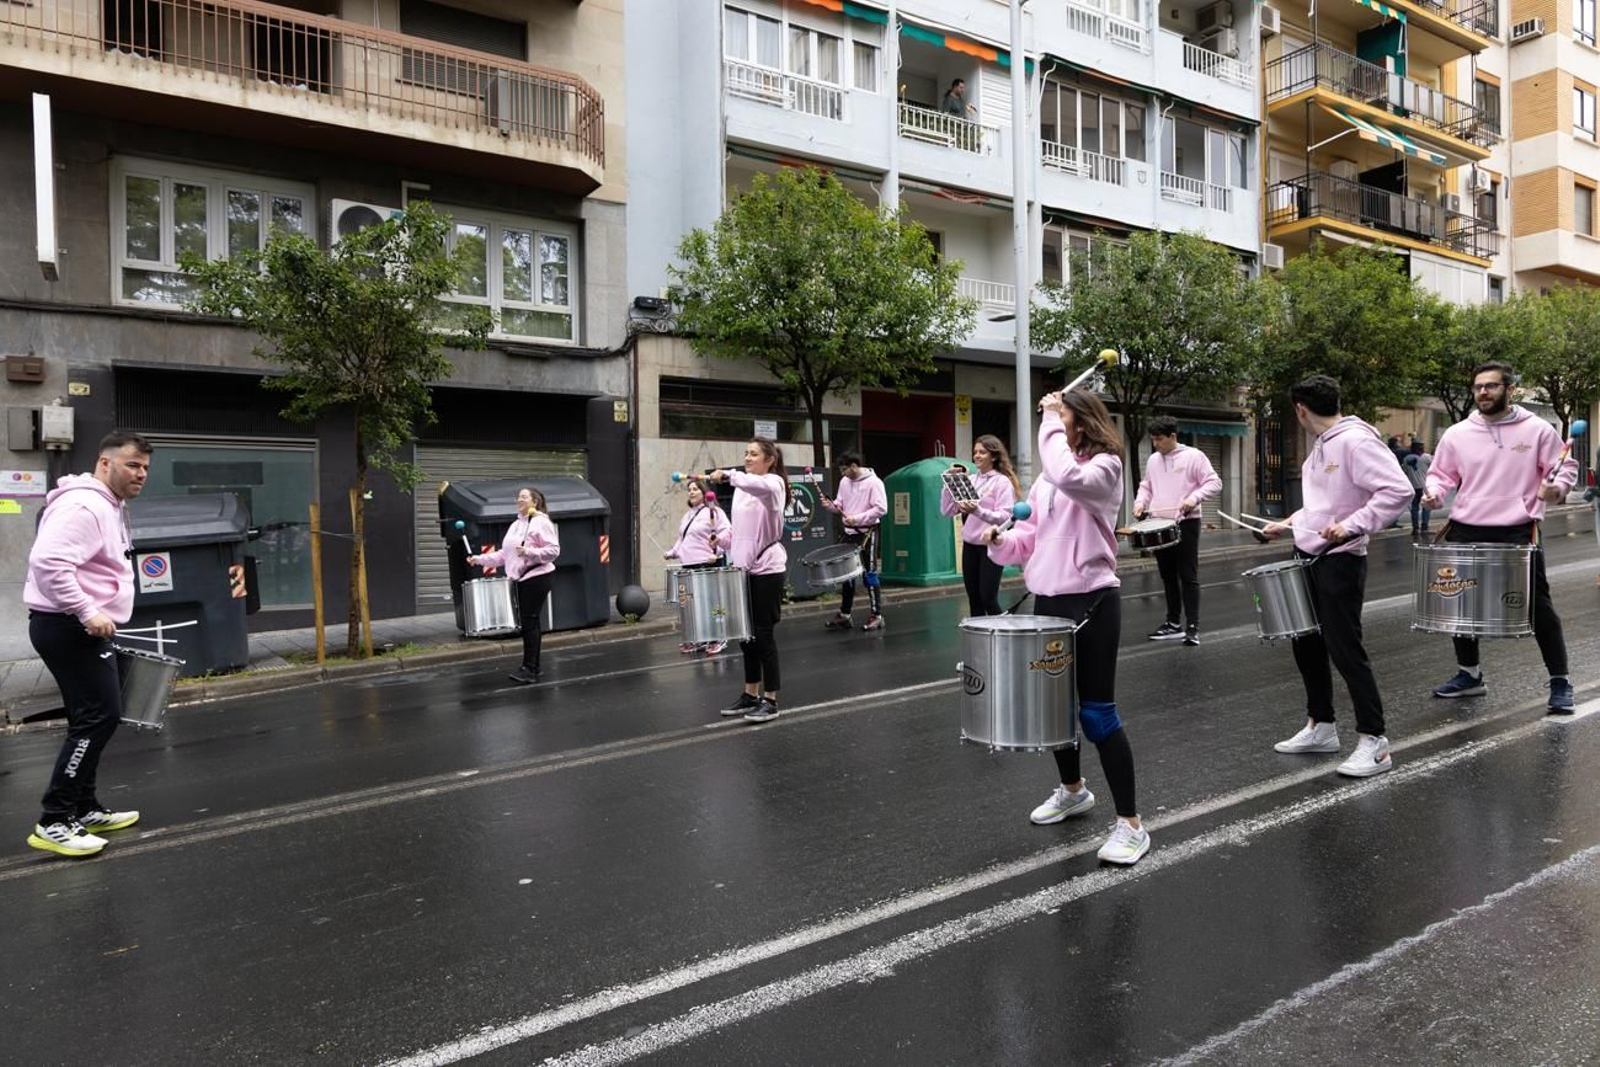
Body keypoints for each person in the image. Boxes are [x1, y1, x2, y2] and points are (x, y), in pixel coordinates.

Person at [985, 389, 1150, 866]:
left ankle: (1131, 825)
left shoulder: (1105, 468)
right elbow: (1031, 539)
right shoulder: (1049, 482)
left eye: (1064, 418)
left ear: (1081, 422)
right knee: (1056, 713)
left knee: (1097, 715)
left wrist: (1051, 419)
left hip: (1093, 599)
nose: (1056, 424)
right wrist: (1001, 540)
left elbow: (1067, 472)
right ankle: (1073, 791)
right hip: (1049, 601)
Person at [1262, 376, 1411, 777]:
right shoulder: (1320, 446)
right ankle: (1322, 726)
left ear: (1300, 409)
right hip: (1308, 555)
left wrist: (1352, 525)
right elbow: (1324, 505)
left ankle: (1375, 742)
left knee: (1346, 650)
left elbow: (1398, 491)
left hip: (1340, 559)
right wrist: (1290, 523)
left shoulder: (1356, 441)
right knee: (1306, 644)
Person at [22, 430, 150, 858]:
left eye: (145, 467)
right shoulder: (84, 505)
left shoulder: (108, 505)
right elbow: (48, 562)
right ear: (104, 462)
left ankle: (83, 806)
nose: (140, 473)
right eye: (132, 464)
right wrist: (87, 611)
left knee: (94, 716)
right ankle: (55, 819)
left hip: (80, 626)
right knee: (99, 716)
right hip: (70, 626)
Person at [1422, 361, 1578, 712]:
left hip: (1516, 527)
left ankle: (1561, 682)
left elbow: (1564, 468)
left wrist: (1557, 489)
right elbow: (1440, 474)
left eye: (1491, 386)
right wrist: (1433, 493)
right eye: (1478, 387)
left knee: (1538, 606)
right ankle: (1470, 675)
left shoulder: (1536, 429)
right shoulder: (1458, 433)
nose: (1483, 392)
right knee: (1459, 604)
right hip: (1466, 526)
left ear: (1510, 389)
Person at [706, 438, 788, 723]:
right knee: (746, 637)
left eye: (754, 454)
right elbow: (740, 531)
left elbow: (759, 486)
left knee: (764, 635)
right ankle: (750, 695)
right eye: (746, 453)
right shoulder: (742, 489)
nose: (748, 457)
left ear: (770, 460)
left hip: (768, 570)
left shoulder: (774, 484)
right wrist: (722, 539)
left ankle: (771, 700)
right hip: (744, 571)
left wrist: (729, 475)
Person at [1133, 415, 1221, 646]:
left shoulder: (1194, 456)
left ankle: (1193, 627)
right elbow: (1146, 486)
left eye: (1159, 439)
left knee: (1188, 576)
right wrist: (1140, 502)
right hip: (1158, 522)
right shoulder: (1153, 460)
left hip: (1186, 522)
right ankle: (1173, 624)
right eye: (1152, 439)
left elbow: (1214, 482)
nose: (1155, 444)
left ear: (1173, 436)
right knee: (1168, 576)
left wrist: (1194, 498)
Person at [469, 487, 560, 684]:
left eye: (524, 496)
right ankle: (533, 666)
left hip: (537, 576)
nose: (519, 499)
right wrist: (479, 559)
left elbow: (553, 551)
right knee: (529, 623)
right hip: (521, 579)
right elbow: (504, 555)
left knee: (529, 621)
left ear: (535, 502)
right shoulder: (516, 524)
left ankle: (530, 669)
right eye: (518, 496)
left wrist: (529, 552)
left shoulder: (541, 522)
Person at [940, 434, 1021, 617]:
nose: (977, 455)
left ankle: (1003, 636)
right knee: (974, 599)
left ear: (993, 456)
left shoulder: (1002, 482)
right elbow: (947, 511)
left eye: (982, 452)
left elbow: (1005, 518)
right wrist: (947, 486)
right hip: (970, 546)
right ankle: (980, 642)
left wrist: (978, 511)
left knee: (988, 599)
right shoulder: (971, 480)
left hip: (991, 546)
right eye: (975, 452)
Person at [821, 451, 888, 632]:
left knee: (870, 574)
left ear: (854, 466)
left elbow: (881, 509)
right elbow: (840, 505)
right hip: (849, 532)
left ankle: (877, 615)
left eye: (844, 470)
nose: (842, 474)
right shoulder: (845, 482)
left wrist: (857, 518)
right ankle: (845, 615)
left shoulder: (874, 483)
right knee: (847, 575)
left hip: (867, 532)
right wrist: (831, 506)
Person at [664, 483, 732, 655]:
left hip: (707, 562)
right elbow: (682, 538)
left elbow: (726, 534)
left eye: (695, 489)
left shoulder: (714, 512)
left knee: (712, 603)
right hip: (689, 564)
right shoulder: (688, 516)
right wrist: (672, 552)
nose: (691, 492)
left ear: (705, 493)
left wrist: (718, 553)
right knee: (694, 604)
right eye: (690, 489)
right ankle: (700, 639)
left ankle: (719, 637)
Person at [1403, 439, 1434, 539]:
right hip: (1425, 487)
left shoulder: (1407, 458)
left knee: (1414, 507)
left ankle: (1415, 528)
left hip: (1413, 487)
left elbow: (1404, 471)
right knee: (1426, 507)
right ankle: (1424, 528)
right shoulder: (1427, 457)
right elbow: (1434, 468)